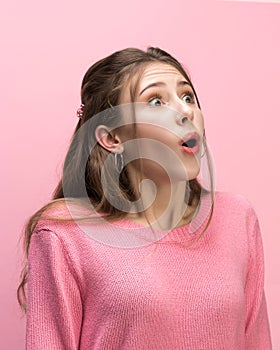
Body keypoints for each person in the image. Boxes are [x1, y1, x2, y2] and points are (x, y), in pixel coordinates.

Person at [17, 47, 272, 349]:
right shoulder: (65, 233)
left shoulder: (236, 217)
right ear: (112, 138)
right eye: (156, 101)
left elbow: (257, 341)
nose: (185, 111)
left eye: (187, 97)